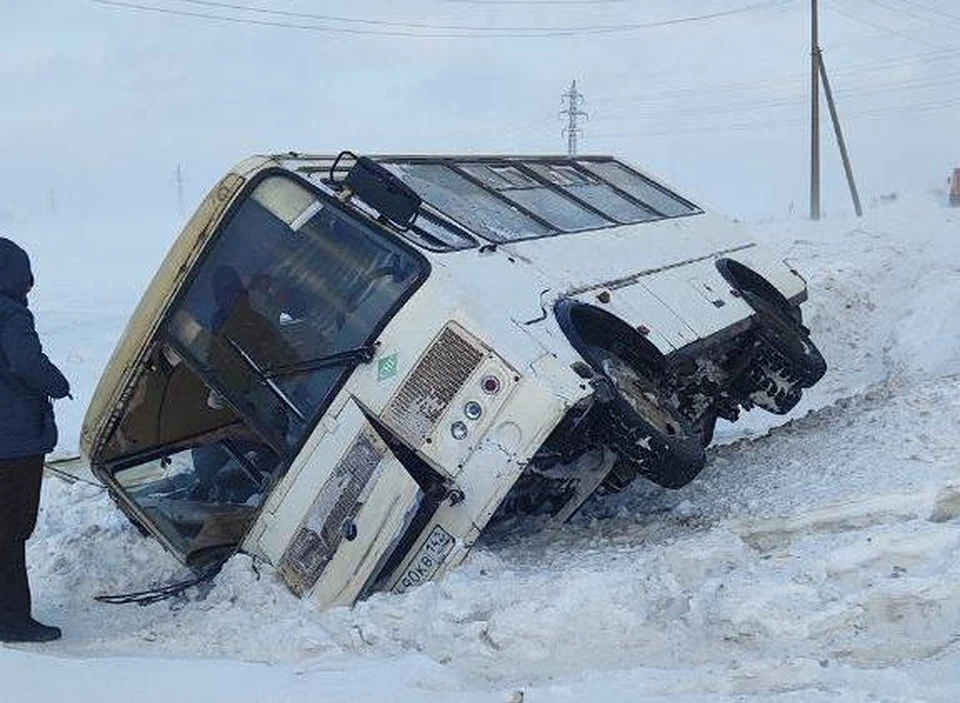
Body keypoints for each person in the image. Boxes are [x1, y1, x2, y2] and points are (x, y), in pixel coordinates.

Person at [0, 237, 70, 643]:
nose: (30, 286)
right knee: (11, 529)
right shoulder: (10, 314)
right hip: (14, 442)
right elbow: (26, 362)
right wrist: (56, 384)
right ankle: (12, 619)